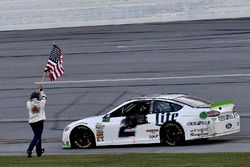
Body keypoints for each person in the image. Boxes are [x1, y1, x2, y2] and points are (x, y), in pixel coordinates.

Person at [26, 84, 47, 158]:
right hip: (39, 122)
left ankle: (39, 152)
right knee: (37, 137)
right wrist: (41, 91)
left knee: (38, 136)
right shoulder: (41, 103)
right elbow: (44, 97)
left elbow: (30, 100)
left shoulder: (28, 104)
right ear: (38, 98)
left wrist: (36, 94)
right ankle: (29, 150)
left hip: (32, 123)